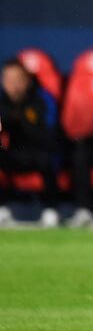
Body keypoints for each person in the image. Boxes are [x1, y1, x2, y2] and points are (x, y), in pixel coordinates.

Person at [0, 59, 60, 227]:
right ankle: (2, 209)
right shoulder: (2, 102)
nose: (14, 85)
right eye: (9, 80)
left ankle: (51, 210)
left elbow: (49, 133)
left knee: (48, 158)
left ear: (27, 80)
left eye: (18, 80)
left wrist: (22, 121)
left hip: (37, 151)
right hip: (11, 154)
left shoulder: (41, 99)